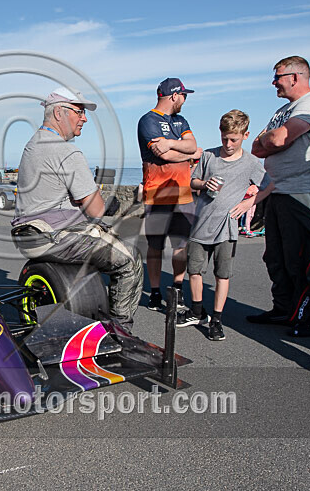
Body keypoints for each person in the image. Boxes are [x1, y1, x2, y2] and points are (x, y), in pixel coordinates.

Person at [12, 87, 143, 330]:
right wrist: (129, 200)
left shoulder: (33, 144)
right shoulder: (66, 151)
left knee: (100, 243)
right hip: (53, 236)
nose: (84, 118)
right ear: (59, 113)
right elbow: (96, 209)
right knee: (130, 260)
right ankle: (120, 331)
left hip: (26, 234)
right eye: (79, 112)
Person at [248, 56, 310, 337]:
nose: (274, 82)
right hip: (278, 189)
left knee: (301, 258)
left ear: (295, 77)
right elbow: (257, 148)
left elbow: (274, 140)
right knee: (275, 256)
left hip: (302, 192)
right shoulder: (283, 111)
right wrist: (269, 140)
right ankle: (285, 308)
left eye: (277, 77)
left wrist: (270, 140)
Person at [177, 110, 274, 340]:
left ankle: (217, 320)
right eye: (224, 139)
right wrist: (203, 183)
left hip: (226, 227)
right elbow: (191, 180)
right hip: (201, 223)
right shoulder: (209, 156)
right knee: (195, 270)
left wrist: (248, 202)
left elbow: (269, 185)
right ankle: (197, 310)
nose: (228, 144)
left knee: (222, 275)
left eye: (234, 139)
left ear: (246, 135)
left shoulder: (251, 163)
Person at [137, 78, 201, 312]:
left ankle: (177, 288)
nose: (184, 100)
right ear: (174, 96)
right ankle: (154, 292)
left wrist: (172, 145)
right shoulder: (148, 120)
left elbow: (192, 144)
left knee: (180, 246)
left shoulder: (180, 120)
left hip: (183, 195)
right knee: (155, 246)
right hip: (157, 194)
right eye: (184, 96)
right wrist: (188, 154)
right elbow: (162, 154)